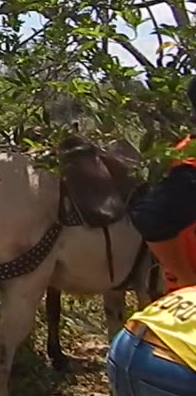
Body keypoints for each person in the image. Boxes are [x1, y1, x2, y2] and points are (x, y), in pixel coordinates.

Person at [107, 76, 196, 394]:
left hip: (141, 335)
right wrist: (188, 281)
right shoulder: (190, 164)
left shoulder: (180, 150)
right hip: (180, 363)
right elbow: (152, 216)